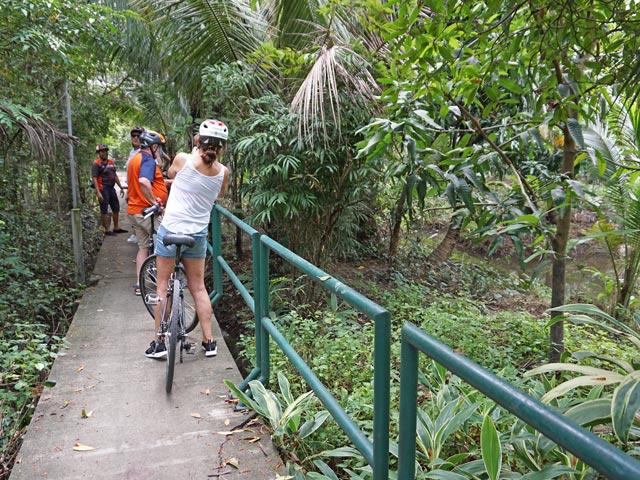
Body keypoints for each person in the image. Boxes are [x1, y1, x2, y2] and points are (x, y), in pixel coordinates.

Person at [145, 119, 230, 359]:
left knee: (163, 285)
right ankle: (209, 342)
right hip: (197, 235)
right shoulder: (223, 172)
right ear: (222, 148)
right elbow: (220, 194)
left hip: (170, 230)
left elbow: (171, 173)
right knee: (199, 287)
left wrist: (193, 155)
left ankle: (159, 343)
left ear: (197, 141)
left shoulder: (182, 159)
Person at [126, 130, 169, 296]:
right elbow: (143, 181)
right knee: (164, 246)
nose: (159, 151)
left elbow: (147, 179)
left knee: (143, 248)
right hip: (147, 213)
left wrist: (166, 182)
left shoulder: (135, 159)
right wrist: (155, 203)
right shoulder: (148, 160)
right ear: (154, 146)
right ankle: (163, 283)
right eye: (159, 148)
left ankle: (140, 285)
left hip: (134, 211)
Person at [91, 144, 127, 236]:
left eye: (106, 151)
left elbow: (114, 175)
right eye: (102, 151)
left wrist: (120, 187)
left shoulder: (111, 162)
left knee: (116, 208)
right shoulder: (96, 164)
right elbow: (94, 178)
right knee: (104, 210)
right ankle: (107, 230)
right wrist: (98, 192)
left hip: (111, 188)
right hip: (103, 189)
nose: (105, 153)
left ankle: (116, 227)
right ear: (99, 153)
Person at [125, 126, 144, 244]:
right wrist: (128, 191)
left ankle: (142, 241)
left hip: (140, 189)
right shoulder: (132, 152)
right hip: (132, 189)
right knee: (133, 214)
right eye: (133, 136)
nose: (136, 138)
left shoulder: (145, 152)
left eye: (138, 136)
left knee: (139, 214)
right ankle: (136, 235)